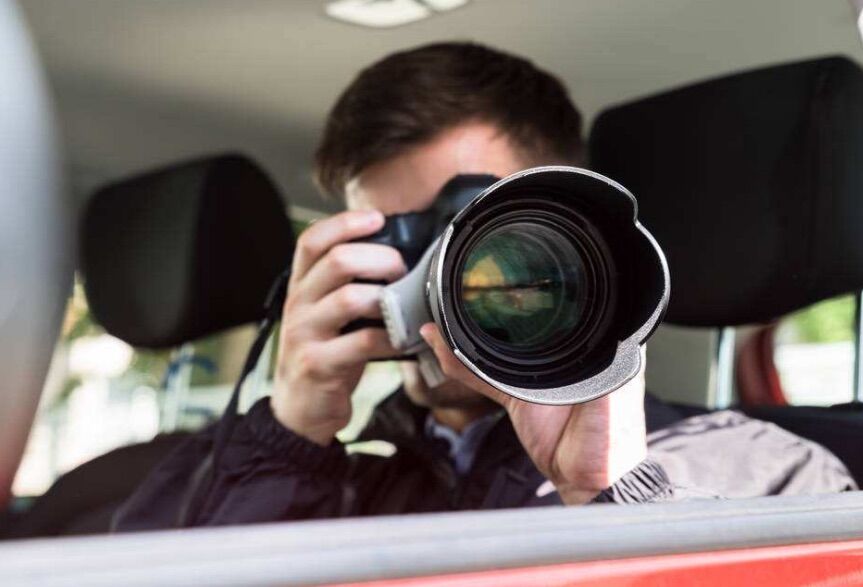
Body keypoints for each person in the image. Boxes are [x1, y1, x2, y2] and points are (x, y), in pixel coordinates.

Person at [115, 42, 854, 530]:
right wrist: (287, 435)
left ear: (572, 233)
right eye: (393, 239)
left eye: (477, 227)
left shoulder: (759, 475)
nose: (445, 271)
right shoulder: (308, 481)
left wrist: (615, 494)